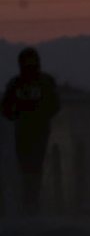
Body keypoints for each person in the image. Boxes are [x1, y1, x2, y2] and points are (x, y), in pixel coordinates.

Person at [2, 47, 61, 214]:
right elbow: (6, 108)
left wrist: (35, 114)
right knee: (29, 168)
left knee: (33, 168)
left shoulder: (40, 83)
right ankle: (31, 201)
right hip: (27, 132)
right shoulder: (18, 84)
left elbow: (54, 105)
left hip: (36, 131)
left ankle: (32, 201)